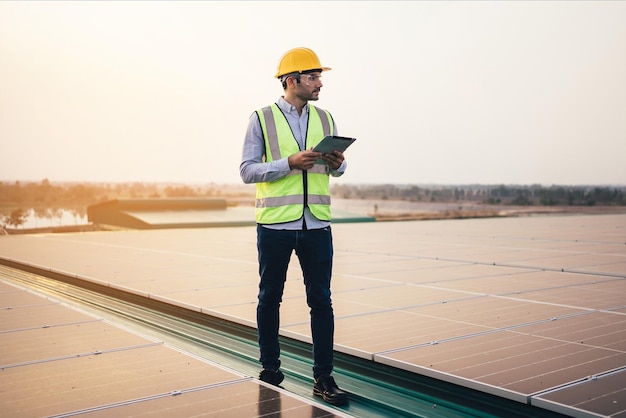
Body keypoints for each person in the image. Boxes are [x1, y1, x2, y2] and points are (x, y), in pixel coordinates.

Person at [239, 47, 348, 406]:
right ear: (292, 80)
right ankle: (271, 371)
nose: (320, 84)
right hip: (275, 227)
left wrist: (337, 162)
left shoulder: (326, 118)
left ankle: (324, 378)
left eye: (319, 77)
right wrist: (288, 163)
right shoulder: (262, 118)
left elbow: (338, 170)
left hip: (317, 225)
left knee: (322, 301)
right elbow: (247, 171)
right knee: (270, 297)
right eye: (314, 77)